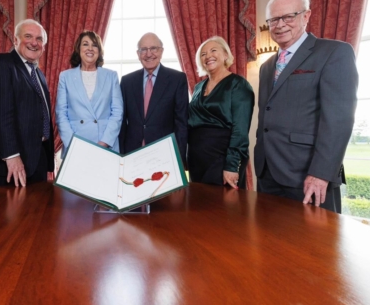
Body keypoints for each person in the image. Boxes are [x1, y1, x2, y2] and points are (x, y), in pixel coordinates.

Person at [255, 0, 358, 213]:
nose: (280, 25)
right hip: (267, 172)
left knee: (312, 246)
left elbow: (338, 121)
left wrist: (321, 172)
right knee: (268, 243)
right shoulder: (266, 67)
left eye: (288, 17)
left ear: (306, 16)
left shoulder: (334, 52)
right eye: (273, 20)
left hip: (307, 174)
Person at [0, 19, 54, 187]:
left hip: (37, 160)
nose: (34, 43)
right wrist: (12, 156)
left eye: (39, 39)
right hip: (9, 163)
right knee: (7, 213)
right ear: (15, 40)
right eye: (28, 36)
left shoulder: (39, 74)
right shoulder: (2, 64)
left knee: (36, 212)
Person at [188, 36, 254, 189]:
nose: (208, 56)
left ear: (225, 55)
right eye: (203, 54)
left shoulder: (239, 85)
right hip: (197, 158)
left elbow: (240, 129)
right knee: (200, 208)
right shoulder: (198, 87)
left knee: (223, 208)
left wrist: (231, 165)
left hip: (222, 157)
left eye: (213, 50)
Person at [119, 32, 188, 162]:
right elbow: (121, 123)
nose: (148, 54)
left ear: (161, 51)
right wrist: (120, 155)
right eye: (143, 49)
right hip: (132, 153)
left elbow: (181, 124)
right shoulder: (127, 81)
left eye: (153, 48)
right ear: (138, 54)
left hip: (164, 154)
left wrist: (179, 159)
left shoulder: (177, 79)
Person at [56, 30, 123, 157]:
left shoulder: (111, 76)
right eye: (85, 44)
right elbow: (61, 115)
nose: (90, 48)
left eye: (95, 45)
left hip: (105, 145)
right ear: (78, 48)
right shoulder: (65, 77)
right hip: (75, 146)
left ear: (99, 50)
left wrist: (104, 143)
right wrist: (73, 144)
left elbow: (117, 113)